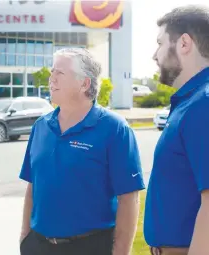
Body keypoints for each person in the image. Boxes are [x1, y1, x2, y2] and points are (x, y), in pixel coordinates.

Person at [18, 48, 146, 255]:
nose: (51, 79)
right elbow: (32, 186)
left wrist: (120, 252)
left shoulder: (115, 128)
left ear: (84, 83)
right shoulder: (40, 126)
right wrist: (25, 237)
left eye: (59, 73)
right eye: (52, 72)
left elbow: (129, 197)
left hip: (90, 246)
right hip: (38, 246)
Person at [144, 5, 209, 255]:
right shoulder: (191, 102)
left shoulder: (202, 104)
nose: (154, 54)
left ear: (184, 43)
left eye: (160, 43)